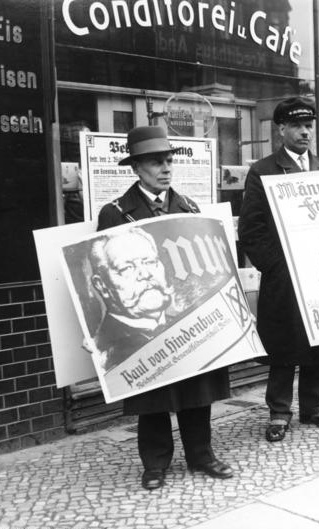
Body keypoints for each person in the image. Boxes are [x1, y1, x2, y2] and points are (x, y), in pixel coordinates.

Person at [94, 126, 233, 491]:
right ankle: (155, 464)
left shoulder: (188, 207)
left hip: (189, 318)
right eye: (156, 162)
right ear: (136, 168)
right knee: (152, 396)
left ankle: (202, 455)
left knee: (197, 390)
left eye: (169, 160)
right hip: (146, 326)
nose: (166, 168)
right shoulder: (115, 213)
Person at [238, 97, 319, 441]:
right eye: (298, 126)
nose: (305, 131)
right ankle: (279, 412)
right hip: (286, 277)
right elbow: (251, 230)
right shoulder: (264, 170)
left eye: (309, 125)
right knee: (285, 347)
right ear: (281, 129)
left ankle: (314, 406)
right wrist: (278, 265)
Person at [89, 227, 174, 371]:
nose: (145, 274)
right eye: (126, 268)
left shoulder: (183, 322)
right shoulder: (103, 348)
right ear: (102, 285)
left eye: (150, 262)